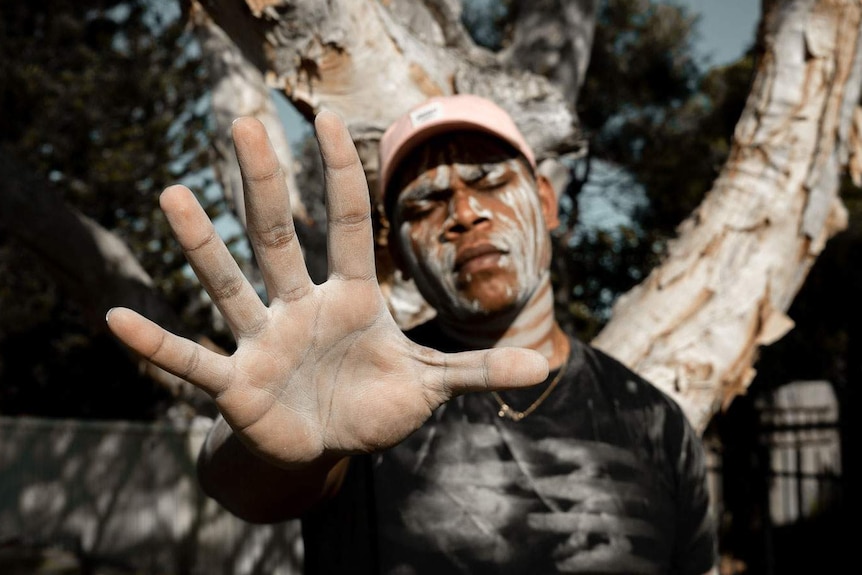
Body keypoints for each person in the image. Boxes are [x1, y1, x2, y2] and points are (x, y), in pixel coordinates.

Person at [106, 94, 718, 574]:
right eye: (425, 204)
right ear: (396, 248)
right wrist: (290, 440)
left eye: (488, 181)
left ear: (548, 202)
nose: (463, 214)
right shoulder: (365, 386)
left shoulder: (655, 422)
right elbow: (242, 489)